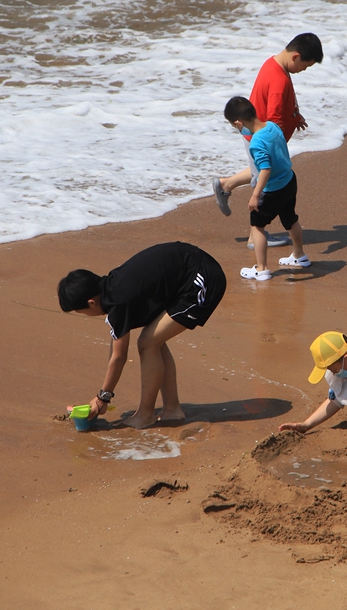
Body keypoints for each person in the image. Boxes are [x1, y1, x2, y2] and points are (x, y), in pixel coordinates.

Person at [57, 241, 226, 429]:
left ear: (91, 303)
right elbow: (116, 347)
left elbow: (119, 358)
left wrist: (102, 398)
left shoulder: (118, 302)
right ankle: (172, 409)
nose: (86, 316)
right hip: (189, 267)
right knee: (154, 340)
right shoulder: (112, 286)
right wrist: (101, 397)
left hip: (202, 279)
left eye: (81, 312)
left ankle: (146, 415)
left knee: (148, 343)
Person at [212, 32, 323, 248]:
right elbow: (273, 117)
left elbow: (284, 99)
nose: (304, 71)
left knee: (259, 171)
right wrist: (277, 147)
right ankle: (256, 236)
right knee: (263, 181)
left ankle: (226, 184)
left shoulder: (274, 63)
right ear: (295, 57)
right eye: (306, 66)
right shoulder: (279, 79)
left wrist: (295, 116)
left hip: (254, 134)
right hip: (260, 139)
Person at [223, 96, 311, 281]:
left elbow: (265, 169)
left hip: (272, 190)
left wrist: (255, 195)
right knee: (290, 219)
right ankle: (299, 255)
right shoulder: (272, 127)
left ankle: (261, 268)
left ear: (239, 122)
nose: (237, 129)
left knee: (257, 226)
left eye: (235, 126)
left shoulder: (256, 142)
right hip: (289, 180)